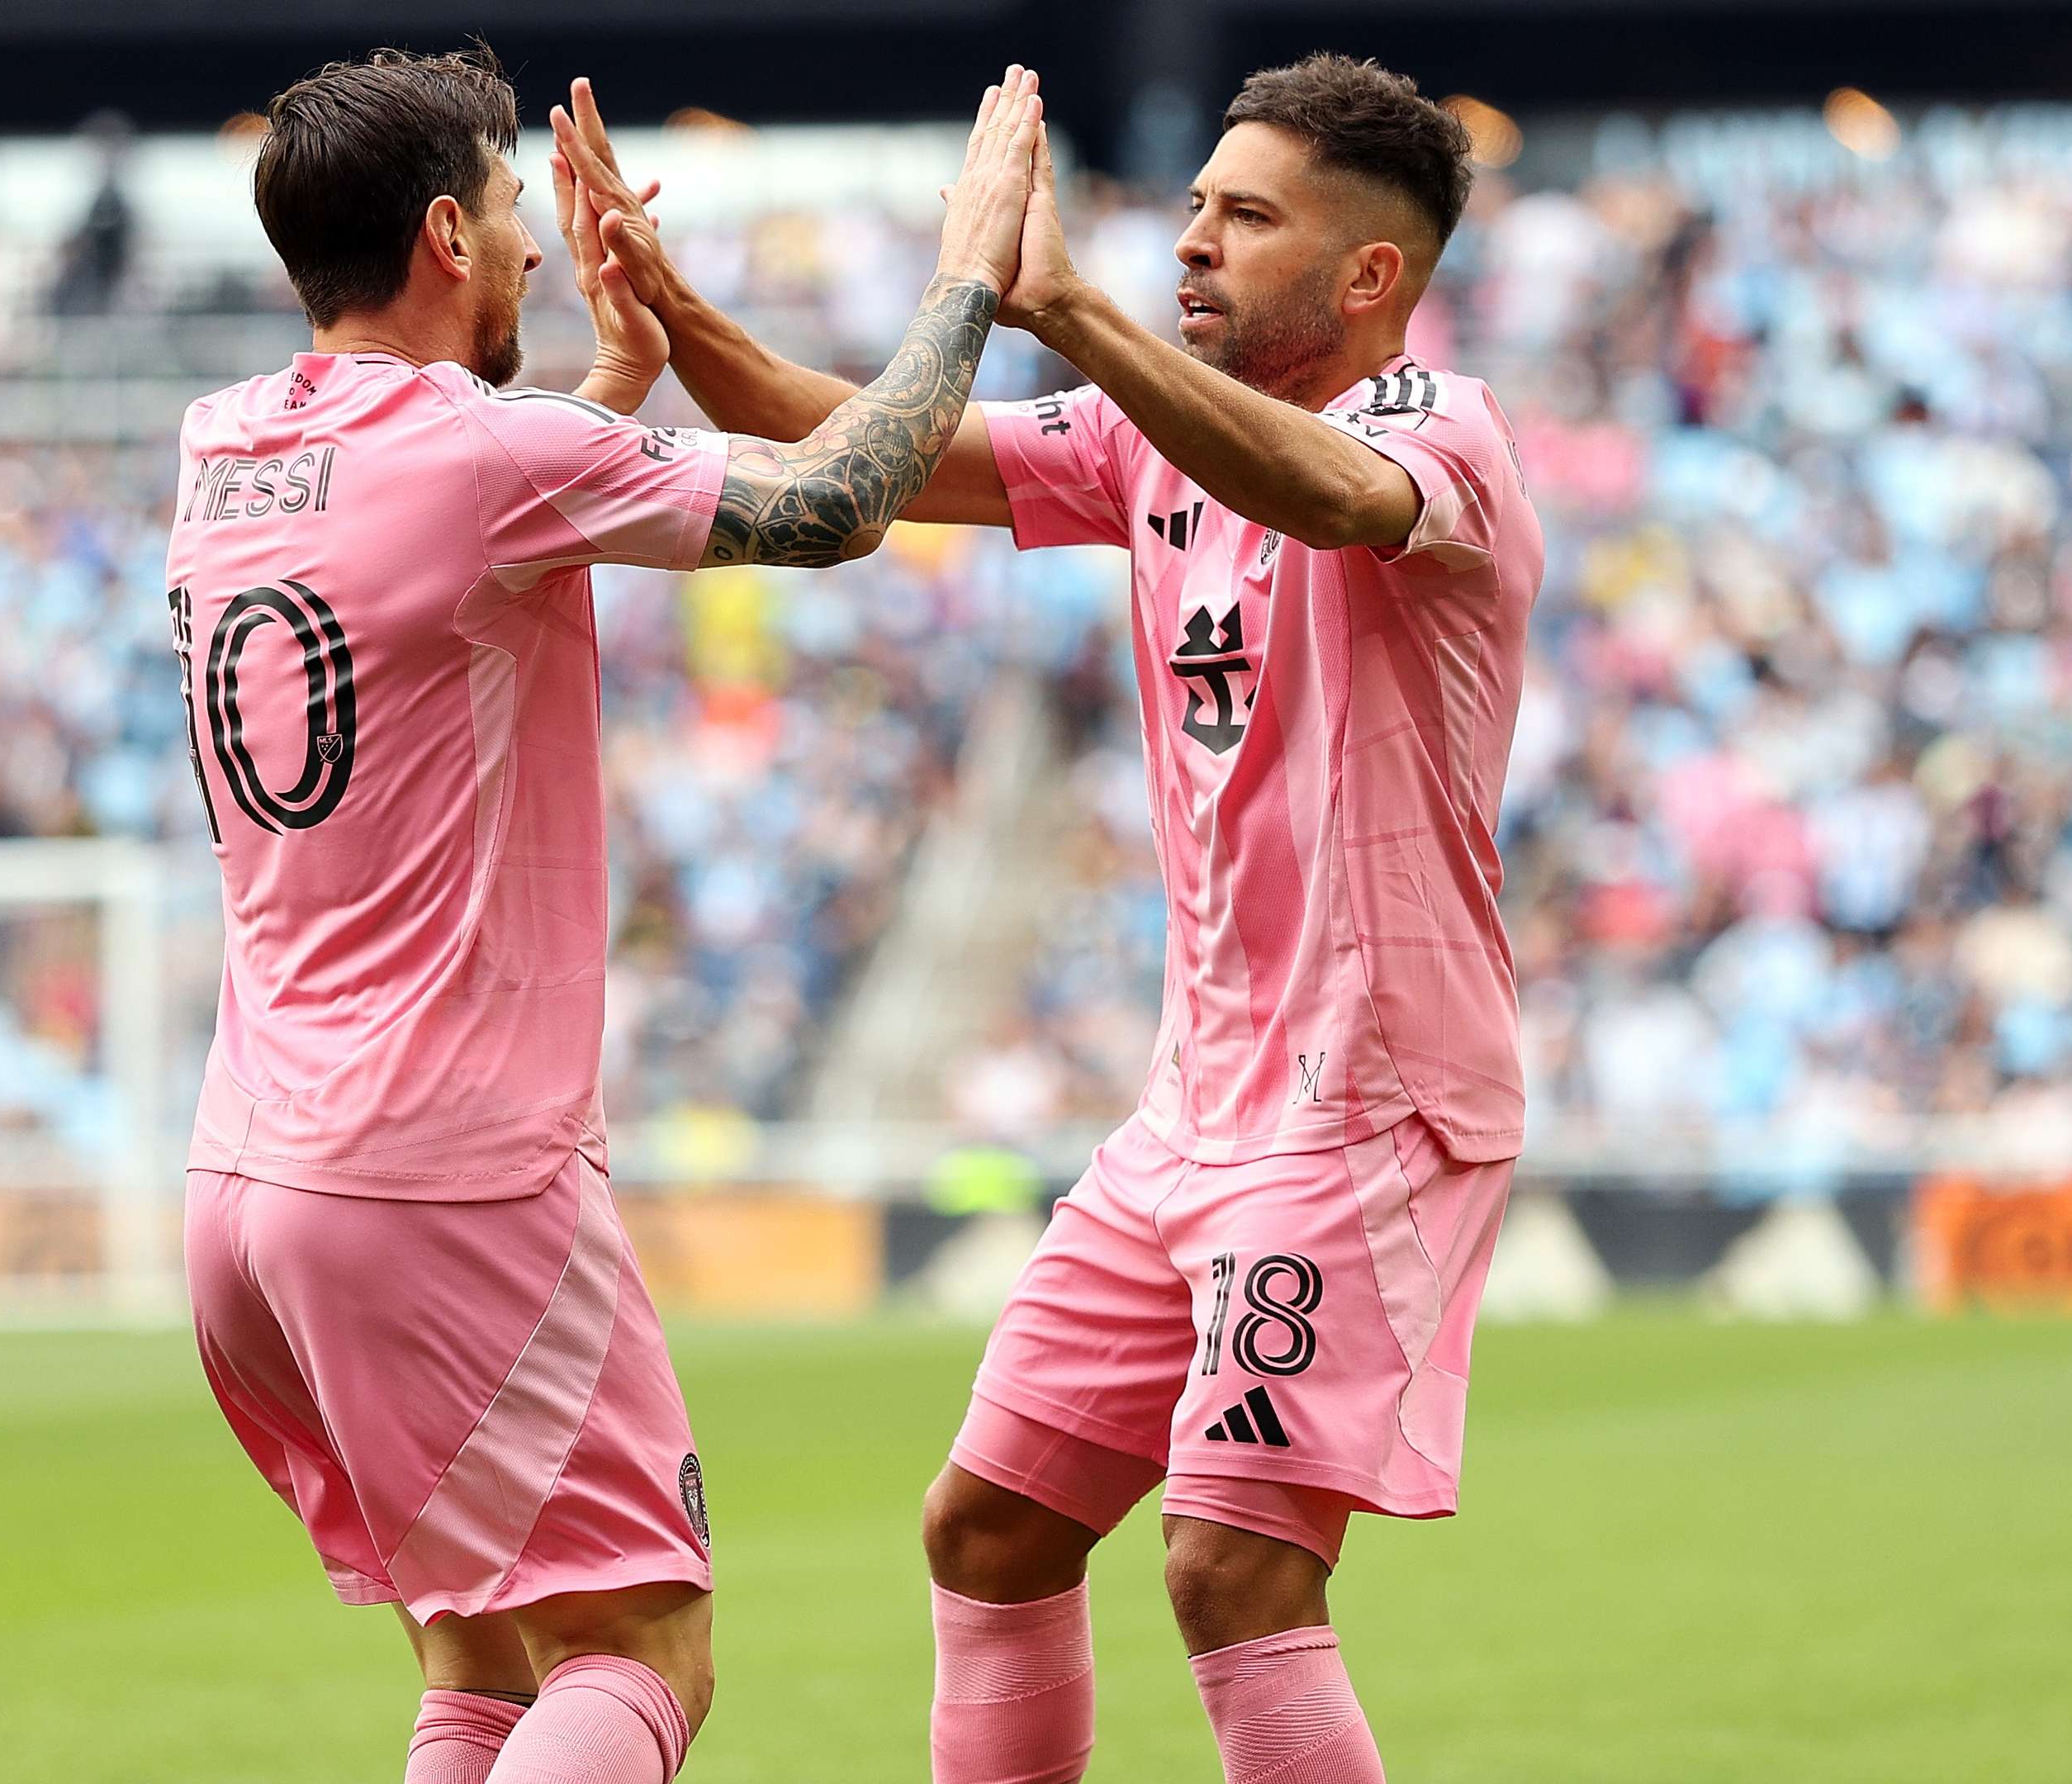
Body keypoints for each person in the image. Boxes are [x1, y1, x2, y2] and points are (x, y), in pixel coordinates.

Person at [556, 52, 1542, 1784]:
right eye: (1191, 213)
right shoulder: (1140, 441)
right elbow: (846, 433)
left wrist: (1069, 305)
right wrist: (671, 299)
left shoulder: (1436, 433)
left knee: (1236, 1570)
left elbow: (1320, 496)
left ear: (1370, 275)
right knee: (990, 1529)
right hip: (1196, 1115)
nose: (1194, 247)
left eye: (1246, 220)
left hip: (1366, 1108)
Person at [169, 45, 1043, 1784]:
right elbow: (840, 503)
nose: (534, 247)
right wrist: (970, 275)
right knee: (645, 1646)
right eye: (508, 216)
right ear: (442, 233)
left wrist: (622, 374)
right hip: (445, 1170)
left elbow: (451, 514)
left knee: (486, 1659)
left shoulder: (225, 445)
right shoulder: (485, 456)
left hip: (249, 1185)